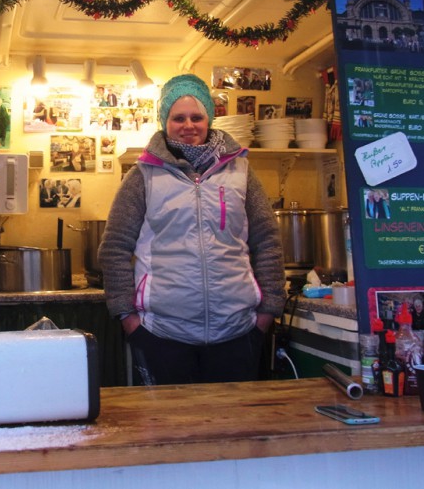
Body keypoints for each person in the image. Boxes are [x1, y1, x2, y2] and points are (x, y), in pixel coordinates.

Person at [98, 74, 285, 386]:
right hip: (163, 336)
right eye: (178, 118)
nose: (188, 126)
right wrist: (128, 319)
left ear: (208, 119)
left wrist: (267, 313)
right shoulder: (143, 175)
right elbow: (115, 247)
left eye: (196, 117)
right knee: (172, 417)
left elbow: (267, 239)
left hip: (238, 334)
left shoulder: (240, 170)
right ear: (165, 122)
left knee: (232, 417)